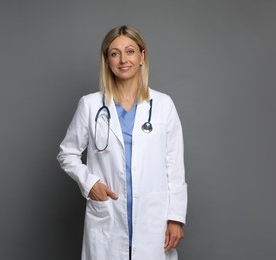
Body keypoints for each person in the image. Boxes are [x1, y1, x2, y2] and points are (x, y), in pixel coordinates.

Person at [57, 25, 187, 260]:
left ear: (141, 56)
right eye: (115, 53)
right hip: (108, 216)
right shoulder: (90, 105)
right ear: (106, 60)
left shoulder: (163, 105)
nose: (123, 59)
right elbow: (67, 153)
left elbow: (174, 167)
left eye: (130, 51)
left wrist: (176, 217)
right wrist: (90, 183)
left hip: (152, 218)